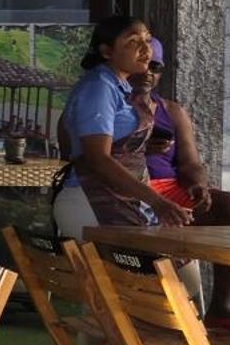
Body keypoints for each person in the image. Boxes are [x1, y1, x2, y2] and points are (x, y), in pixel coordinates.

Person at [143, 38, 230, 333]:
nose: (147, 72)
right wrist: (137, 146)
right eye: (143, 64)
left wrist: (198, 185)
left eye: (155, 66)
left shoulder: (171, 110)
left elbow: (190, 162)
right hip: (131, 189)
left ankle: (222, 308)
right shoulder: (108, 103)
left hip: (170, 188)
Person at [53, 16, 192, 242]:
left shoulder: (120, 87)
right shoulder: (99, 87)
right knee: (156, 274)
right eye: (133, 42)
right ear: (107, 51)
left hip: (125, 200)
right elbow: (98, 158)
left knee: (177, 270)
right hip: (91, 200)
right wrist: (158, 202)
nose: (145, 49)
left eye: (147, 40)